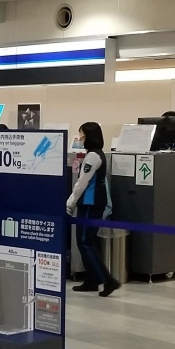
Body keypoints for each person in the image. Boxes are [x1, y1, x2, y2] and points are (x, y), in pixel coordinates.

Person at [67, 122, 120, 297]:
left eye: (82, 133)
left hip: (90, 203)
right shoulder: (95, 154)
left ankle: (107, 280)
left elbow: (82, 182)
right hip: (91, 203)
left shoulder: (93, 157)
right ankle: (92, 280)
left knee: (85, 242)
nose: (80, 137)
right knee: (86, 242)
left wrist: (70, 203)